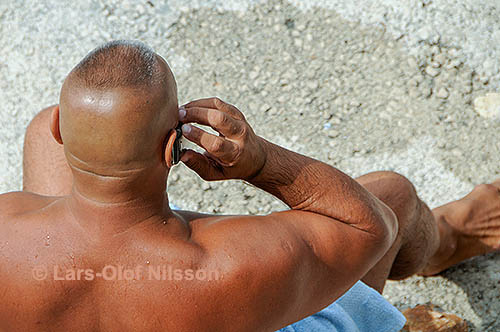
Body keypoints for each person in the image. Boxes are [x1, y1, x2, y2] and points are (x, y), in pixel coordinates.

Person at [0, 40, 498, 332]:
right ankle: (448, 239)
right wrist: (262, 163)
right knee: (393, 194)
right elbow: (370, 225)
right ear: (174, 145)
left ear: (63, 130)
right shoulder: (233, 264)